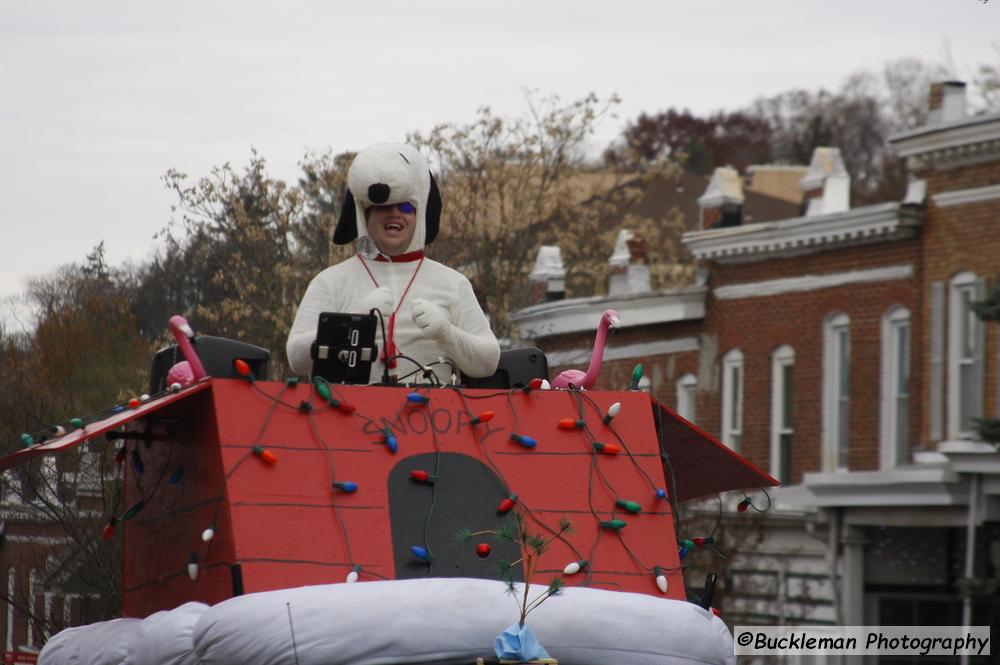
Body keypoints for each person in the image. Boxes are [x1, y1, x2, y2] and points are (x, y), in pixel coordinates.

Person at [286, 143, 500, 385]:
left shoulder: (453, 282)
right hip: (350, 416)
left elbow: (489, 362)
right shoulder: (330, 281)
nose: (395, 213)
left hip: (436, 418)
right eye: (383, 207)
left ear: (419, 215)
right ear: (364, 215)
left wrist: (447, 333)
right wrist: (351, 323)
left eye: (407, 206)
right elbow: (297, 358)